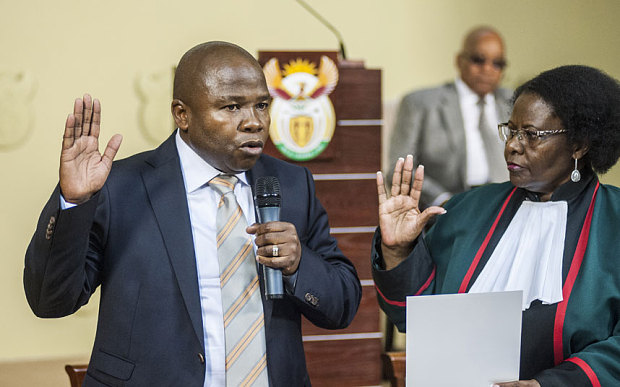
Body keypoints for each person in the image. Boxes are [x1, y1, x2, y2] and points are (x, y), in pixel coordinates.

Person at [24, 41, 361, 386]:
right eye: (231, 107)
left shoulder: (291, 185)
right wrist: (73, 203)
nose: (254, 122)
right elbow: (50, 302)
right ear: (182, 114)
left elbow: (343, 305)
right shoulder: (119, 188)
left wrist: (298, 264)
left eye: (262, 105)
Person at [372, 65, 620, 386]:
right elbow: (415, 316)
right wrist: (398, 250)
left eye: (531, 135)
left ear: (579, 145)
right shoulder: (467, 209)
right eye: (511, 130)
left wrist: (550, 384)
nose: (513, 146)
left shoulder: (613, 223)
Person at [388, 26, 512, 208]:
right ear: (459, 60)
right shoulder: (421, 103)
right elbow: (398, 168)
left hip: (506, 204)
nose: (488, 69)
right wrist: (443, 201)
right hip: (448, 205)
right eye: (478, 60)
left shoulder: (513, 102)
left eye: (497, 63)